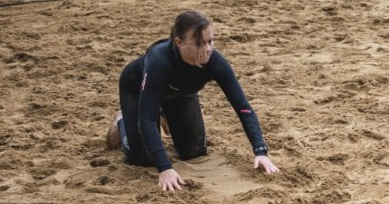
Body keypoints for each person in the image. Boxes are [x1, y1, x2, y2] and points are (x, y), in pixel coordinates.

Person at [105, 10, 279, 192]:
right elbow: (146, 120)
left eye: (210, 41)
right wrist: (165, 168)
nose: (208, 49)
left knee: (194, 152)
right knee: (142, 158)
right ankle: (122, 120)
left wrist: (261, 151)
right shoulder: (159, 61)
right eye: (199, 43)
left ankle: (164, 115)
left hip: (180, 94)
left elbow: (242, 107)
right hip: (139, 91)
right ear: (179, 43)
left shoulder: (215, 61)